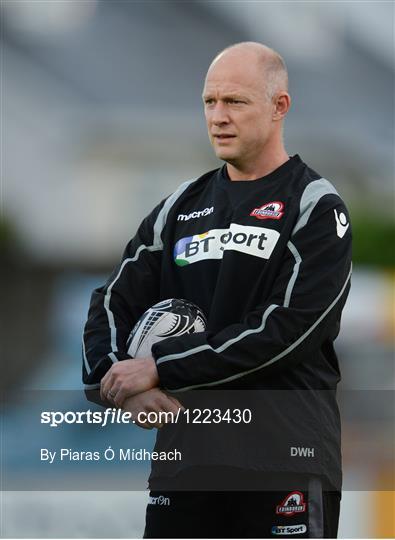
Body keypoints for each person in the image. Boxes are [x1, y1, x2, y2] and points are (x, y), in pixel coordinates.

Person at [83, 42, 352, 538]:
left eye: (236, 102)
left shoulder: (316, 205)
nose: (218, 117)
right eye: (210, 102)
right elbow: (111, 302)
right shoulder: (178, 209)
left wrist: (161, 367)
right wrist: (119, 386)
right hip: (185, 465)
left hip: (282, 462)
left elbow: (287, 330)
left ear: (279, 106)